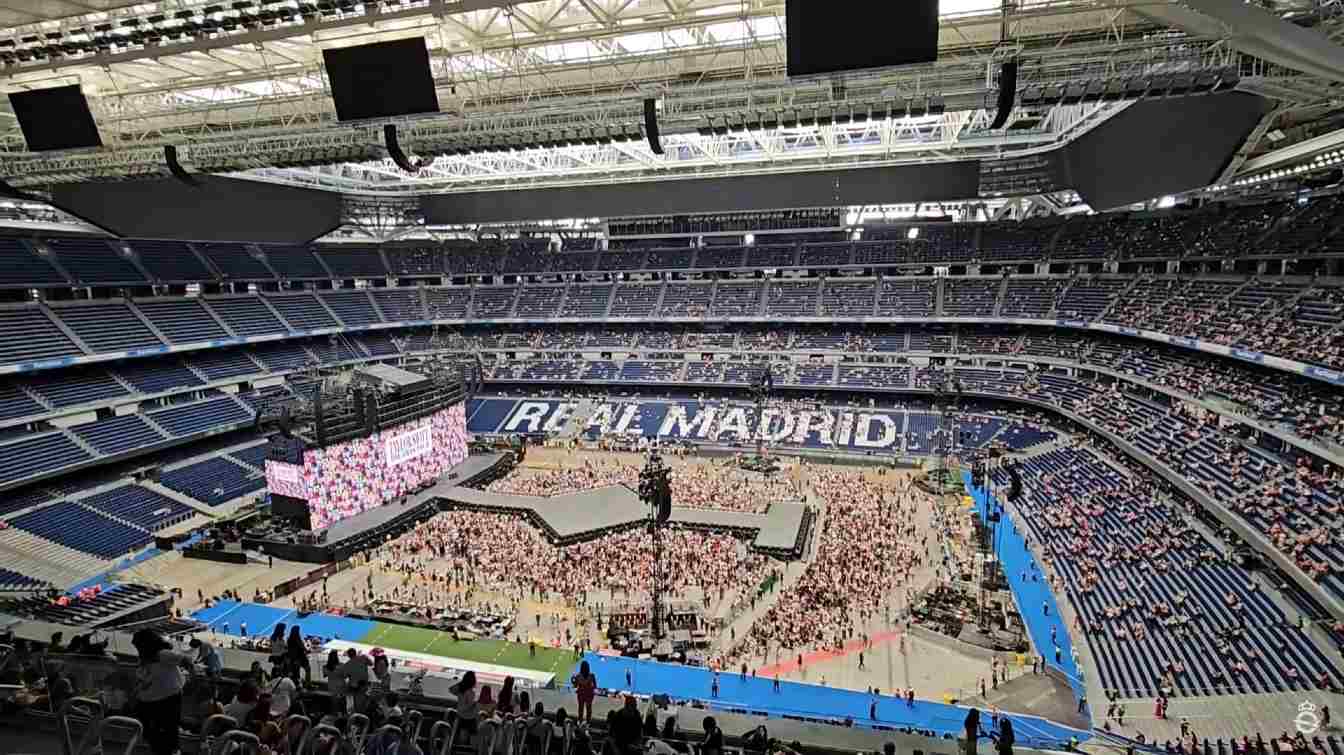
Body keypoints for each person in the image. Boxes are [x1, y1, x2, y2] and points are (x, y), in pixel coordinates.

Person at [132, 629, 187, 755]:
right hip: (150, 701)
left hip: (166, 700)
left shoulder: (163, 654)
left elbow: (185, 660)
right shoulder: (146, 658)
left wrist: (193, 675)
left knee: (166, 735)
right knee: (156, 735)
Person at [453, 670, 480, 738]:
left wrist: (462, 682)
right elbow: (468, 706)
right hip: (468, 716)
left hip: (460, 714)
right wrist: (474, 704)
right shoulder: (470, 692)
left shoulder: (461, 690)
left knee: (462, 735)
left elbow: (451, 689)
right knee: (470, 736)